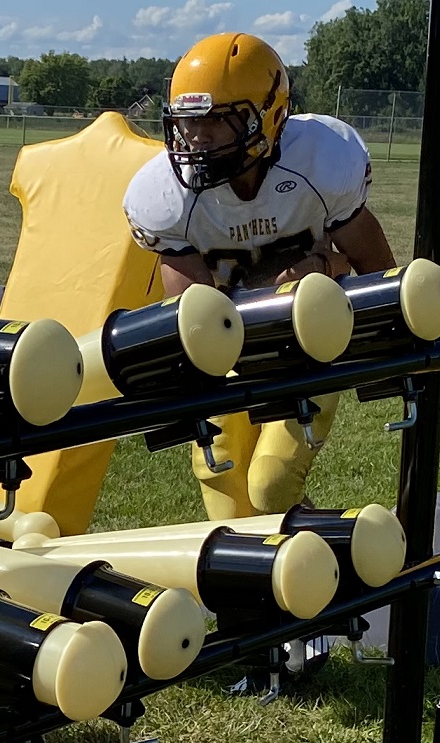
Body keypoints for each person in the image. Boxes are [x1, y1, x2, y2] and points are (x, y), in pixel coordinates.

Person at [123, 32, 397, 522]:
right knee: (227, 492)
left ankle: (346, 559)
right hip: (228, 348)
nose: (197, 138)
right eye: (188, 122)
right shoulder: (165, 197)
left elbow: (376, 273)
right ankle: (288, 578)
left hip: (307, 342)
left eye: (215, 121)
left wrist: (337, 281)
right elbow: (194, 320)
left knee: (271, 485)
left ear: (267, 116)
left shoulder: (321, 161)